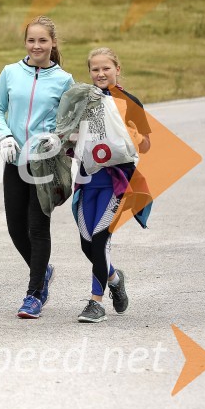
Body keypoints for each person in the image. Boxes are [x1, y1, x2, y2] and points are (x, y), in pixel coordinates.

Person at [0, 15, 74, 318]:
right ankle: (43, 271)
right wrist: (5, 136)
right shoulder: (10, 72)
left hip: (45, 165)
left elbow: (70, 122)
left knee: (38, 228)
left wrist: (57, 139)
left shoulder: (64, 80)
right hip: (15, 160)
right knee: (15, 229)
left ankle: (34, 293)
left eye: (42, 40)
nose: (36, 46)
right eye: (31, 40)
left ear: (52, 43)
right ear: (26, 42)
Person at [69, 47, 151, 323]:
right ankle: (115, 278)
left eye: (106, 68)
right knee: (86, 243)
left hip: (116, 183)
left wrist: (136, 137)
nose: (101, 73)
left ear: (118, 68)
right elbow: (72, 135)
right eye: (95, 69)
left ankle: (95, 303)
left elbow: (146, 145)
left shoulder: (129, 101)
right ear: (89, 72)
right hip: (87, 180)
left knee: (101, 239)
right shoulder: (83, 100)